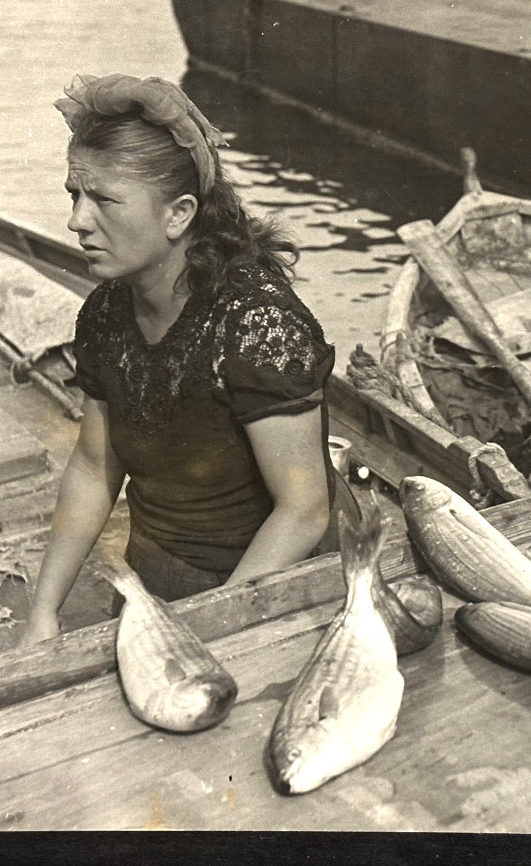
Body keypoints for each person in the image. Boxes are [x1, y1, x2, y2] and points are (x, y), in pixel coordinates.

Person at [20, 73, 344, 646]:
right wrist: (43, 613)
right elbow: (96, 467)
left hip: (273, 580)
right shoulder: (104, 313)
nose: (76, 221)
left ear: (179, 214)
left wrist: (209, 630)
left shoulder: (256, 325)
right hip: (157, 568)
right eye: (75, 194)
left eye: (104, 200)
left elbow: (303, 513)